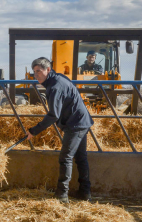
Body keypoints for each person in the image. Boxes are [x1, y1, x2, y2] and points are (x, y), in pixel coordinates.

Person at [26, 57, 94, 203]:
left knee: (66, 158)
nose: (36, 75)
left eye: (39, 71)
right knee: (81, 158)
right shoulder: (56, 79)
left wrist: (34, 130)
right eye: (34, 72)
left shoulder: (55, 86)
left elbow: (53, 115)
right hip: (80, 120)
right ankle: (85, 192)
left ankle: (62, 195)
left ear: (48, 70)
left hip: (75, 124)